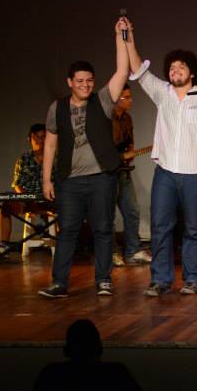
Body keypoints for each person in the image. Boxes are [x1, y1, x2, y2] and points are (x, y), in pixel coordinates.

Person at [38, 18, 129, 298]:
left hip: (101, 177)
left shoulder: (102, 100)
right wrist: (47, 180)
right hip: (70, 181)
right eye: (80, 81)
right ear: (70, 82)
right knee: (67, 232)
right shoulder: (58, 108)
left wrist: (121, 36)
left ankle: (103, 280)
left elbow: (123, 71)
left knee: (103, 229)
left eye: (89, 81)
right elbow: (50, 145)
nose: (86, 85)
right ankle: (59, 283)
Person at [126, 23, 197, 297]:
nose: (175, 71)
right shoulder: (161, 92)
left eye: (181, 67)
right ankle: (161, 280)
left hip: (195, 172)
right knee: (160, 227)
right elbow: (139, 69)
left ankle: (191, 278)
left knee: (193, 229)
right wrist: (127, 37)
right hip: (165, 171)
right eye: (172, 67)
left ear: (192, 72)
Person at [0, 123, 52, 259]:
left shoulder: (54, 158)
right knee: (6, 206)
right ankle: (3, 244)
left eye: (43, 137)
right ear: (30, 139)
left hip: (49, 200)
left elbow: (60, 183)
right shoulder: (23, 159)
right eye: (37, 137)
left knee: (69, 206)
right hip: (28, 200)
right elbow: (17, 184)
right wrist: (26, 199)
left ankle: (68, 245)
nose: (40, 141)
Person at [111, 84, 152, 266]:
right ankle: (111, 252)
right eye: (126, 97)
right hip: (107, 172)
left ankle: (133, 250)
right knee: (107, 214)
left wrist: (131, 154)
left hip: (123, 171)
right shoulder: (105, 119)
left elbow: (130, 142)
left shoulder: (127, 119)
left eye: (130, 96)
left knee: (132, 210)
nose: (130, 100)